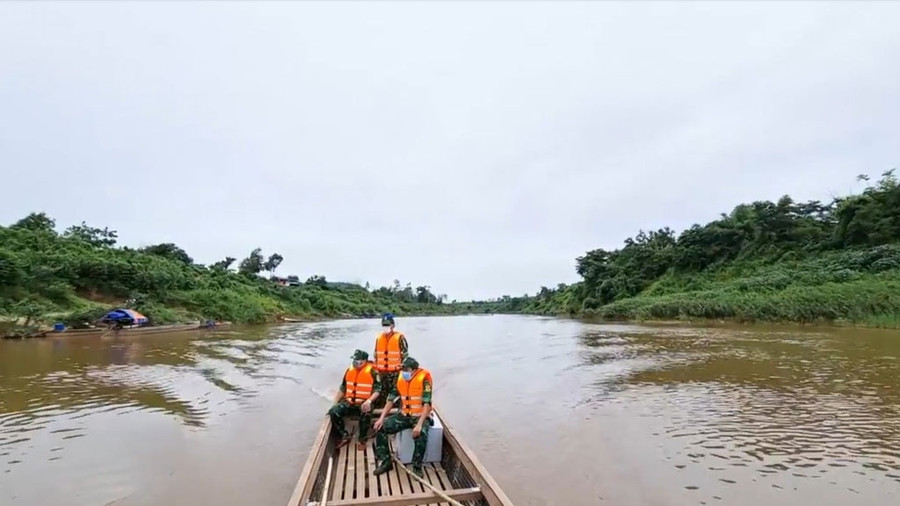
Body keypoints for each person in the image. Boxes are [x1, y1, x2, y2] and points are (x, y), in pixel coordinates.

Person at [372, 356, 432, 477]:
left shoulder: (424, 379)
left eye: (406, 369)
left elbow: (427, 403)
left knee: (422, 435)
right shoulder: (400, 378)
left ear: (414, 370)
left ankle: (417, 466)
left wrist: (419, 425)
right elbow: (391, 399)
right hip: (404, 415)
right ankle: (386, 461)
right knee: (381, 428)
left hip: (420, 416)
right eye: (402, 369)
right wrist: (381, 418)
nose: (403, 372)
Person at [327, 349, 381, 450]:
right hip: (350, 402)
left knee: (365, 413)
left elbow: (377, 390)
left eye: (358, 361)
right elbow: (343, 388)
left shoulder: (373, 372)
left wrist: (369, 401)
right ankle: (344, 434)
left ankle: (362, 439)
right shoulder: (349, 370)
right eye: (354, 360)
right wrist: (335, 403)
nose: (355, 363)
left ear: (364, 361)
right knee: (333, 412)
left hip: (364, 402)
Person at [372, 312, 408, 407]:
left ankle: (396, 411)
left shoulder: (400, 338)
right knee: (381, 394)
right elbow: (376, 355)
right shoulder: (379, 338)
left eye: (387, 325)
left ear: (393, 325)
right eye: (384, 325)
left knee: (395, 394)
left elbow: (405, 355)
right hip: (381, 372)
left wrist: (403, 369)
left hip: (395, 373)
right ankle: (381, 412)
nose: (386, 327)